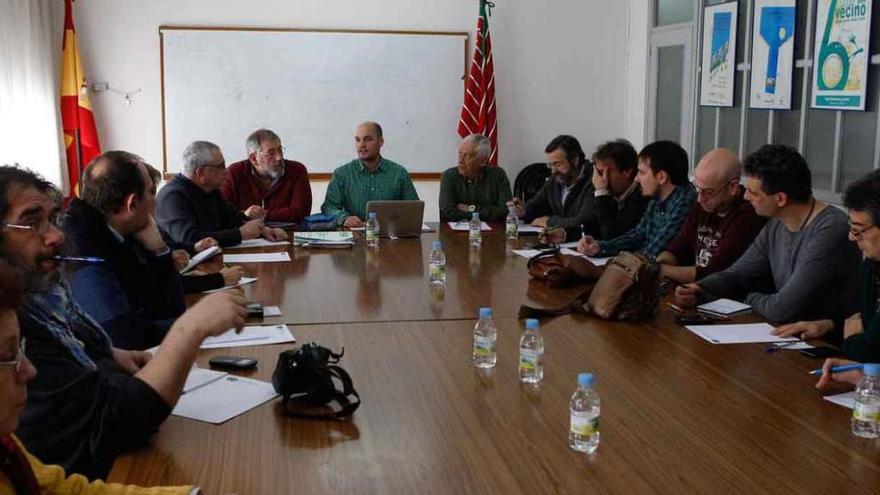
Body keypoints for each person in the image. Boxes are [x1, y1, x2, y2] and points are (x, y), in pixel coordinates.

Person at [0, 165, 248, 479]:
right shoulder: (14, 324)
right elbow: (119, 423)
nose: (55, 235)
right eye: (32, 222)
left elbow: (144, 316)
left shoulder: (46, 292)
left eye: (51, 219)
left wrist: (107, 354)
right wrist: (190, 329)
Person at [0, 261, 200, 493]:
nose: (30, 370)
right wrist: (191, 329)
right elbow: (121, 419)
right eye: (8, 355)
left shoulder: (7, 445)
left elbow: (66, 490)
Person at [674, 144, 860, 326]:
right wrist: (699, 290)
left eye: (753, 192)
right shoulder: (777, 222)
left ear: (780, 199)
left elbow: (781, 309)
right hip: (786, 334)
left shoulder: (831, 230)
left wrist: (744, 297)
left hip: (824, 343)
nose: (745, 197)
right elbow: (738, 273)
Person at [63, 151, 185, 350]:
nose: (155, 202)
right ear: (132, 203)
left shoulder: (123, 232)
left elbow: (168, 310)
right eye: (151, 192)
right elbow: (123, 337)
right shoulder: (82, 250)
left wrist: (159, 251)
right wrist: (195, 325)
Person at [773, 169, 880, 361]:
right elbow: (862, 323)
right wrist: (829, 325)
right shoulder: (872, 263)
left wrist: (853, 339)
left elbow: (869, 351)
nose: (851, 237)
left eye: (858, 230)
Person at [656, 148, 766, 284]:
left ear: (733, 187)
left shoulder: (750, 214)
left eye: (708, 192)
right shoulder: (702, 206)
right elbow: (676, 249)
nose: (700, 198)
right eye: (698, 189)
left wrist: (659, 271)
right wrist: (659, 264)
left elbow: (715, 272)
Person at [156, 140, 287, 249]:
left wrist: (264, 230)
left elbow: (235, 218)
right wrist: (239, 234)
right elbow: (189, 239)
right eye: (221, 166)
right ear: (201, 173)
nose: (226, 171)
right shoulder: (172, 197)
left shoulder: (211, 190)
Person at [578, 140, 697, 259]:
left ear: (661, 177)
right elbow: (637, 234)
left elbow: (656, 248)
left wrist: (621, 264)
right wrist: (600, 247)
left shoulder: (685, 201)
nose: (637, 178)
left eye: (642, 172)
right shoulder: (656, 198)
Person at [143, 164, 243, 294]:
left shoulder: (211, 191)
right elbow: (157, 285)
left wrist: (194, 247)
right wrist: (220, 279)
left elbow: (168, 246)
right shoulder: (172, 195)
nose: (156, 201)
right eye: (151, 193)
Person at [321, 121, 419, 228]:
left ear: (380, 142)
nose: (362, 145)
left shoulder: (399, 173)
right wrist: (344, 218)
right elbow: (329, 207)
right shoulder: (342, 174)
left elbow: (414, 209)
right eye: (358, 140)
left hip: (390, 235)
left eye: (368, 139)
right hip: (354, 235)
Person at [507, 135, 594, 242]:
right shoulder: (555, 179)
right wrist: (523, 211)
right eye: (550, 165)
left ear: (575, 160)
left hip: (587, 247)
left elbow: (584, 223)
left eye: (557, 164)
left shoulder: (594, 181)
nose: (553, 171)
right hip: (562, 244)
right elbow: (536, 206)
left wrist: (549, 222)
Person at [221, 128, 312, 224]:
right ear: (253, 158)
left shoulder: (297, 170)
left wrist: (263, 214)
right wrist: (245, 214)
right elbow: (222, 214)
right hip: (247, 235)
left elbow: (301, 213)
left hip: (287, 234)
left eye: (280, 150)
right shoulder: (234, 173)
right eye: (271, 153)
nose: (279, 157)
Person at [438, 134, 512, 222]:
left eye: (467, 156)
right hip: (456, 233)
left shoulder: (498, 175)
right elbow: (447, 213)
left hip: (493, 232)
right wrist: (488, 212)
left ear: (483, 161)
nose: (460, 161)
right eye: (460, 154)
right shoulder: (449, 176)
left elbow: (505, 211)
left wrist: (471, 208)